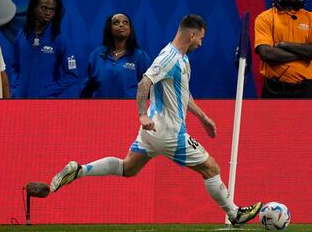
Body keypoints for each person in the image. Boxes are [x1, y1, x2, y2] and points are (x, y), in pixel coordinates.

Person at [48, 14, 262, 227]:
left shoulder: (183, 59)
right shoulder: (168, 58)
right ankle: (234, 213)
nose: (201, 43)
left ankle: (80, 170)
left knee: (128, 168)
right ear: (192, 34)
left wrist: (202, 117)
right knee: (211, 168)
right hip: (169, 133)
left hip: (152, 132)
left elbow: (183, 94)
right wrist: (141, 115)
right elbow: (144, 84)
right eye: (200, 38)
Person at [254, 0, 312, 98]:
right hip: (274, 90)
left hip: (305, 90)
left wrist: (284, 44)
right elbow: (267, 53)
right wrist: (305, 55)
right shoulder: (264, 18)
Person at [10, 0, 79, 98]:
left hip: (45, 106)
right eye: (44, 8)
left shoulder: (60, 40)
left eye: (52, 9)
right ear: (34, 7)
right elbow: (15, 67)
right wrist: (15, 89)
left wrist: (47, 92)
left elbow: (71, 76)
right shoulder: (22, 35)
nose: (48, 13)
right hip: (20, 103)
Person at [81, 12, 151, 98]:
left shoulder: (140, 56)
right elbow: (86, 89)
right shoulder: (96, 55)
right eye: (116, 23)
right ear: (109, 29)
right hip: (99, 108)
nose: (121, 25)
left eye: (125, 22)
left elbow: (149, 88)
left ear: (130, 29)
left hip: (129, 109)